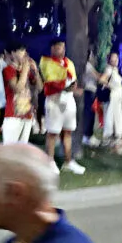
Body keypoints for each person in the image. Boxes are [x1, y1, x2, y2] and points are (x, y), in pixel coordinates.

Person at [39, 40, 85, 174]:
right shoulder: (46, 62)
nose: (62, 50)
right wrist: (68, 88)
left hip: (68, 101)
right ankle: (50, 161)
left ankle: (68, 161)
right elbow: (51, 82)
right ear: (52, 48)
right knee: (53, 133)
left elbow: (73, 80)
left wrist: (73, 87)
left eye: (63, 47)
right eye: (59, 47)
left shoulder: (68, 62)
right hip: (54, 101)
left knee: (68, 131)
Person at [1, 43, 38, 144]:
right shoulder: (8, 70)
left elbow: (40, 87)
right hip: (12, 115)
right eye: (21, 51)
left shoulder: (27, 71)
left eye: (25, 51)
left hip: (27, 114)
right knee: (10, 150)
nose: (24, 54)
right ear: (13, 53)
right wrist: (25, 70)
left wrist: (36, 71)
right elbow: (17, 88)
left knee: (22, 149)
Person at [99, 51, 122, 152]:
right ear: (110, 59)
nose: (115, 60)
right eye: (113, 58)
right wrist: (110, 86)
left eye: (117, 58)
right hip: (113, 98)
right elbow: (102, 80)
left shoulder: (115, 70)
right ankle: (112, 142)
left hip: (118, 98)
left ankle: (117, 142)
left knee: (118, 118)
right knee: (112, 118)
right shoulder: (109, 70)